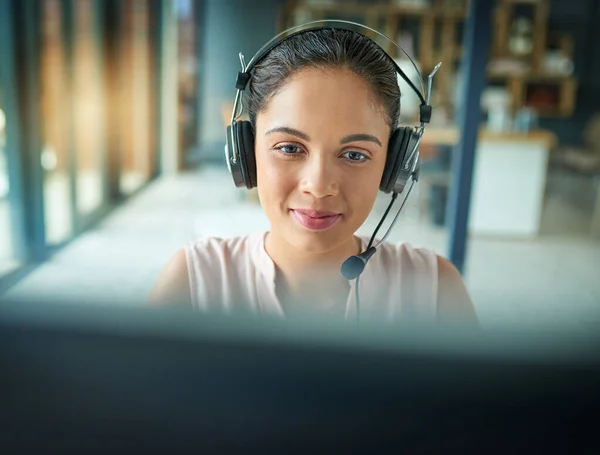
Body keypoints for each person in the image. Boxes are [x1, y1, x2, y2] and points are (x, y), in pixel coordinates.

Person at [149, 25, 477, 324]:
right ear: (246, 153)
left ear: (394, 165)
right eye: (290, 148)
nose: (319, 187)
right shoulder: (192, 284)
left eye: (354, 154)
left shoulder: (435, 290)